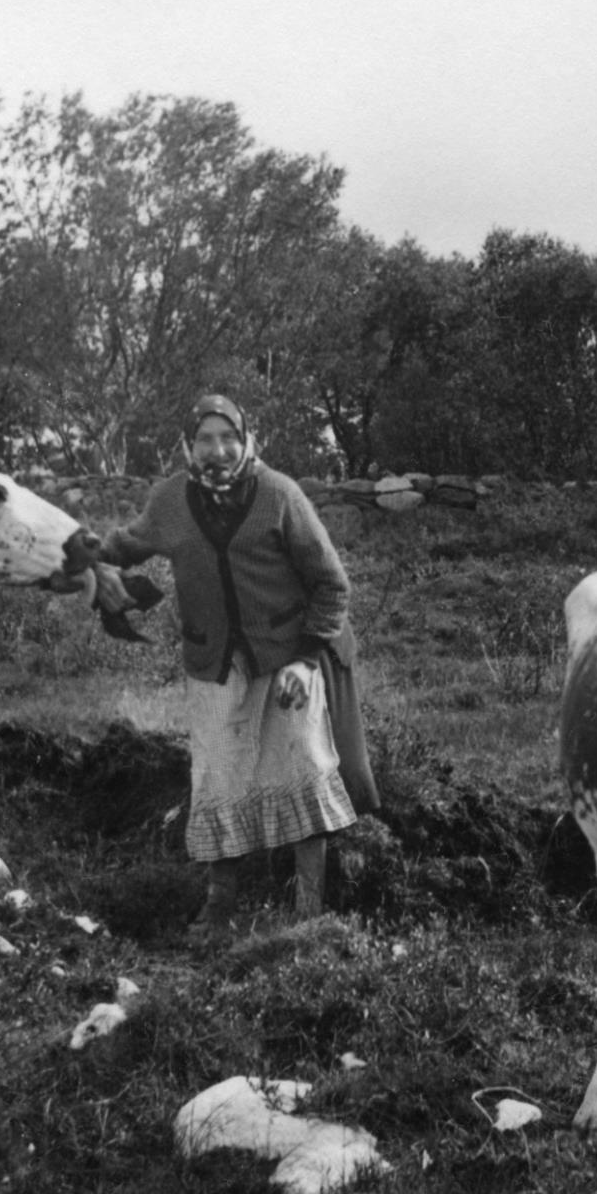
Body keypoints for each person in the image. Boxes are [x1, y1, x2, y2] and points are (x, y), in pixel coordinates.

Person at [100, 393, 378, 932]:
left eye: (228, 438)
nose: (218, 450)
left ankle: (308, 914)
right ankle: (219, 906)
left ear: (247, 440)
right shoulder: (171, 502)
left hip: (286, 660)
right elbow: (128, 543)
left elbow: (331, 584)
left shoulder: (279, 495)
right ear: (188, 446)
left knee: (303, 770)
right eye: (205, 439)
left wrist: (305, 661)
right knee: (217, 779)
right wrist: (78, 554)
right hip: (214, 662)